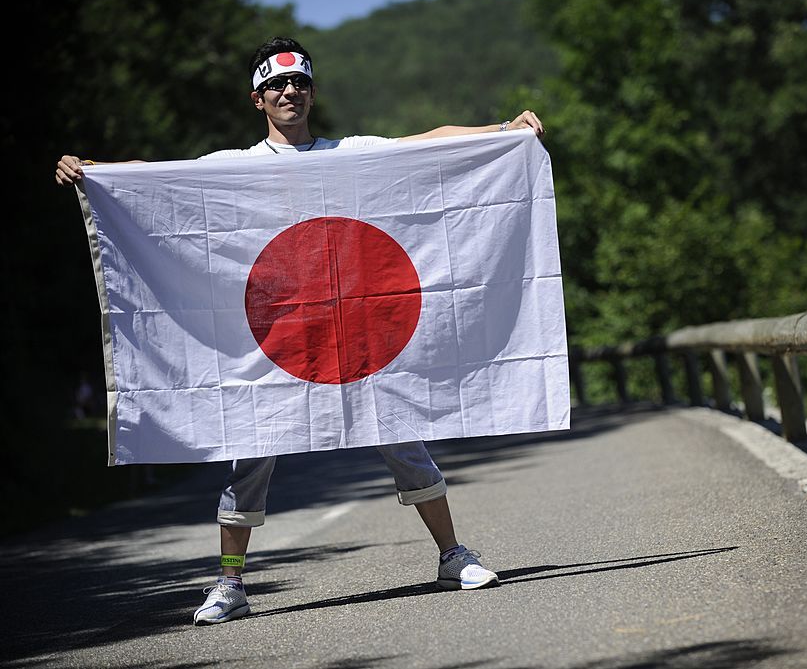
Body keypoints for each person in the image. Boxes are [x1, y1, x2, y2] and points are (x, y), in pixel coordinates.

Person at [56, 36, 545, 626]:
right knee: (251, 455)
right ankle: (230, 584)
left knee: (402, 435)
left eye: (299, 83)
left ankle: (451, 554)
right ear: (257, 98)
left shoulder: (351, 152)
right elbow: (156, 177)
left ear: (312, 92)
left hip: (356, 332)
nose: (289, 92)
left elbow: (426, 142)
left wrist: (501, 130)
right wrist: (91, 169)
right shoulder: (234, 168)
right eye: (276, 86)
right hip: (278, 341)